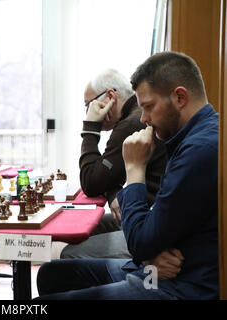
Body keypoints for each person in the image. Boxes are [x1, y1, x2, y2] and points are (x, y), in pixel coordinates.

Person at [37, 51, 219, 300]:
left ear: (179, 97)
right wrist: (148, 254)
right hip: (154, 271)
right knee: (50, 274)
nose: (144, 119)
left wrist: (134, 168)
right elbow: (152, 231)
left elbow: (140, 241)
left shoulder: (199, 150)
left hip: (174, 286)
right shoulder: (191, 136)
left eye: (148, 107)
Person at [61, 69, 167, 259]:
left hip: (149, 224)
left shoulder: (131, 123)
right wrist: (112, 191)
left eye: (89, 105)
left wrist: (90, 127)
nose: (88, 112)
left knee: (70, 253)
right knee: (90, 226)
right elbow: (104, 178)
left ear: (110, 96)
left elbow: (91, 183)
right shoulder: (133, 116)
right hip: (147, 213)